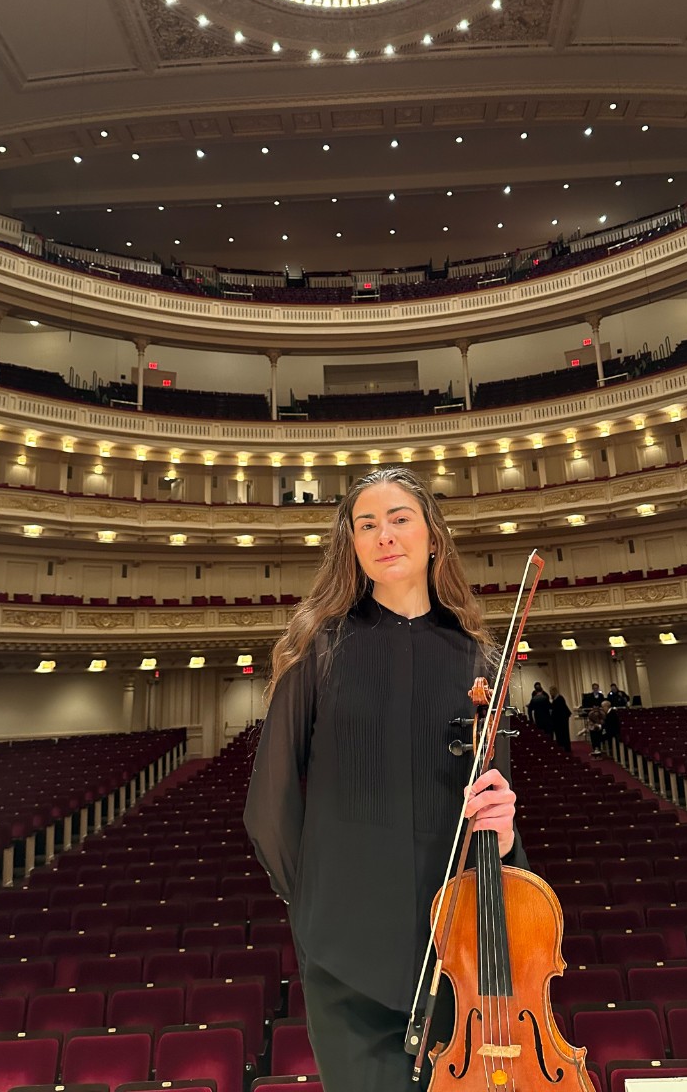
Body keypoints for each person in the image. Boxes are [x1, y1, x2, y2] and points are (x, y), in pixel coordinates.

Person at [244, 466, 527, 1092]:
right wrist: (317, 910)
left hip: (458, 956)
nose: (384, 535)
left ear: (433, 538)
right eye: (365, 525)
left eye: (400, 519)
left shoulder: (478, 659)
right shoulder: (319, 646)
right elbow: (269, 807)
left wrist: (503, 837)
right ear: (352, 545)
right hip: (345, 958)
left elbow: (494, 808)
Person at [549, 685, 572, 752]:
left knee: (563, 734)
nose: (550, 693)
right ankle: (562, 746)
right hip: (560, 719)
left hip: (562, 720)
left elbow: (558, 710)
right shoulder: (557, 698)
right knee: (561, 734)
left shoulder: (559, 698)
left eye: (551, 692)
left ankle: (565, 748)